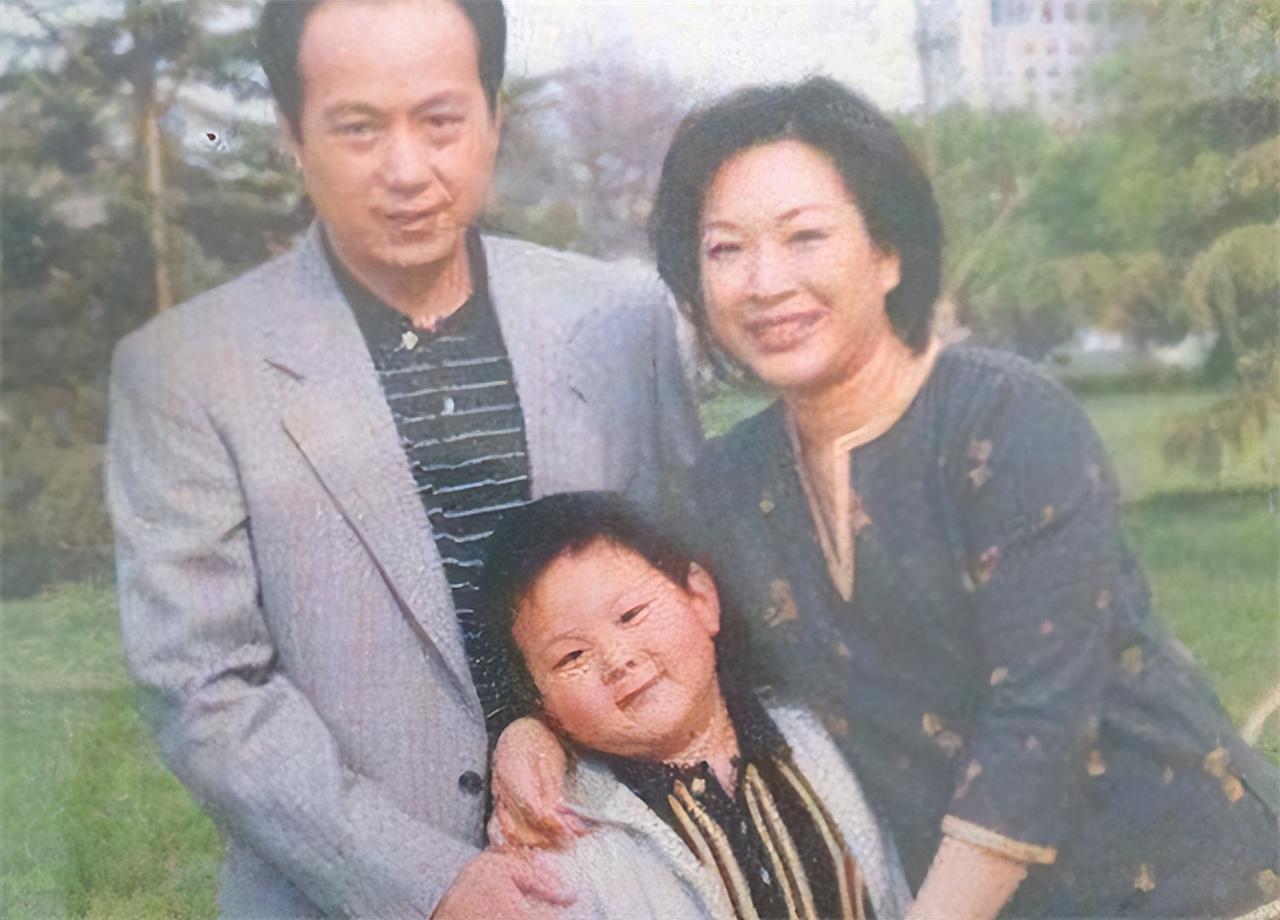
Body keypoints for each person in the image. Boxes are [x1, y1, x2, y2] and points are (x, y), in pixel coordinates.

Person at [493, 77, 1280, 918]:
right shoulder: (727, 486)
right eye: (725, 250)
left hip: (1204, 883)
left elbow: (1039, 727)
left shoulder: (1005, 419)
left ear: (888, 252)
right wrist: (531, 730)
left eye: (804, 236)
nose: (765, 281)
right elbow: (646, 631)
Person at [104, 1, 698, 916]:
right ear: (293, 134)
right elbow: (205, 690)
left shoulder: (620, 319)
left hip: (633, 876)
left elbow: (691, 592)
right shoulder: (186, 368)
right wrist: (430, 883)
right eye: (358, 127)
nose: (408, 170)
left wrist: (552, 726)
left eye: (441, 120)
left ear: (493, 118)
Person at [463, 491, 912, 920]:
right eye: (572, 657)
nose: (617, 660)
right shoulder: (551, 830)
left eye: (631, 615)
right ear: (540, 704)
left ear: (701, 597)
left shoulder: (824, 739)